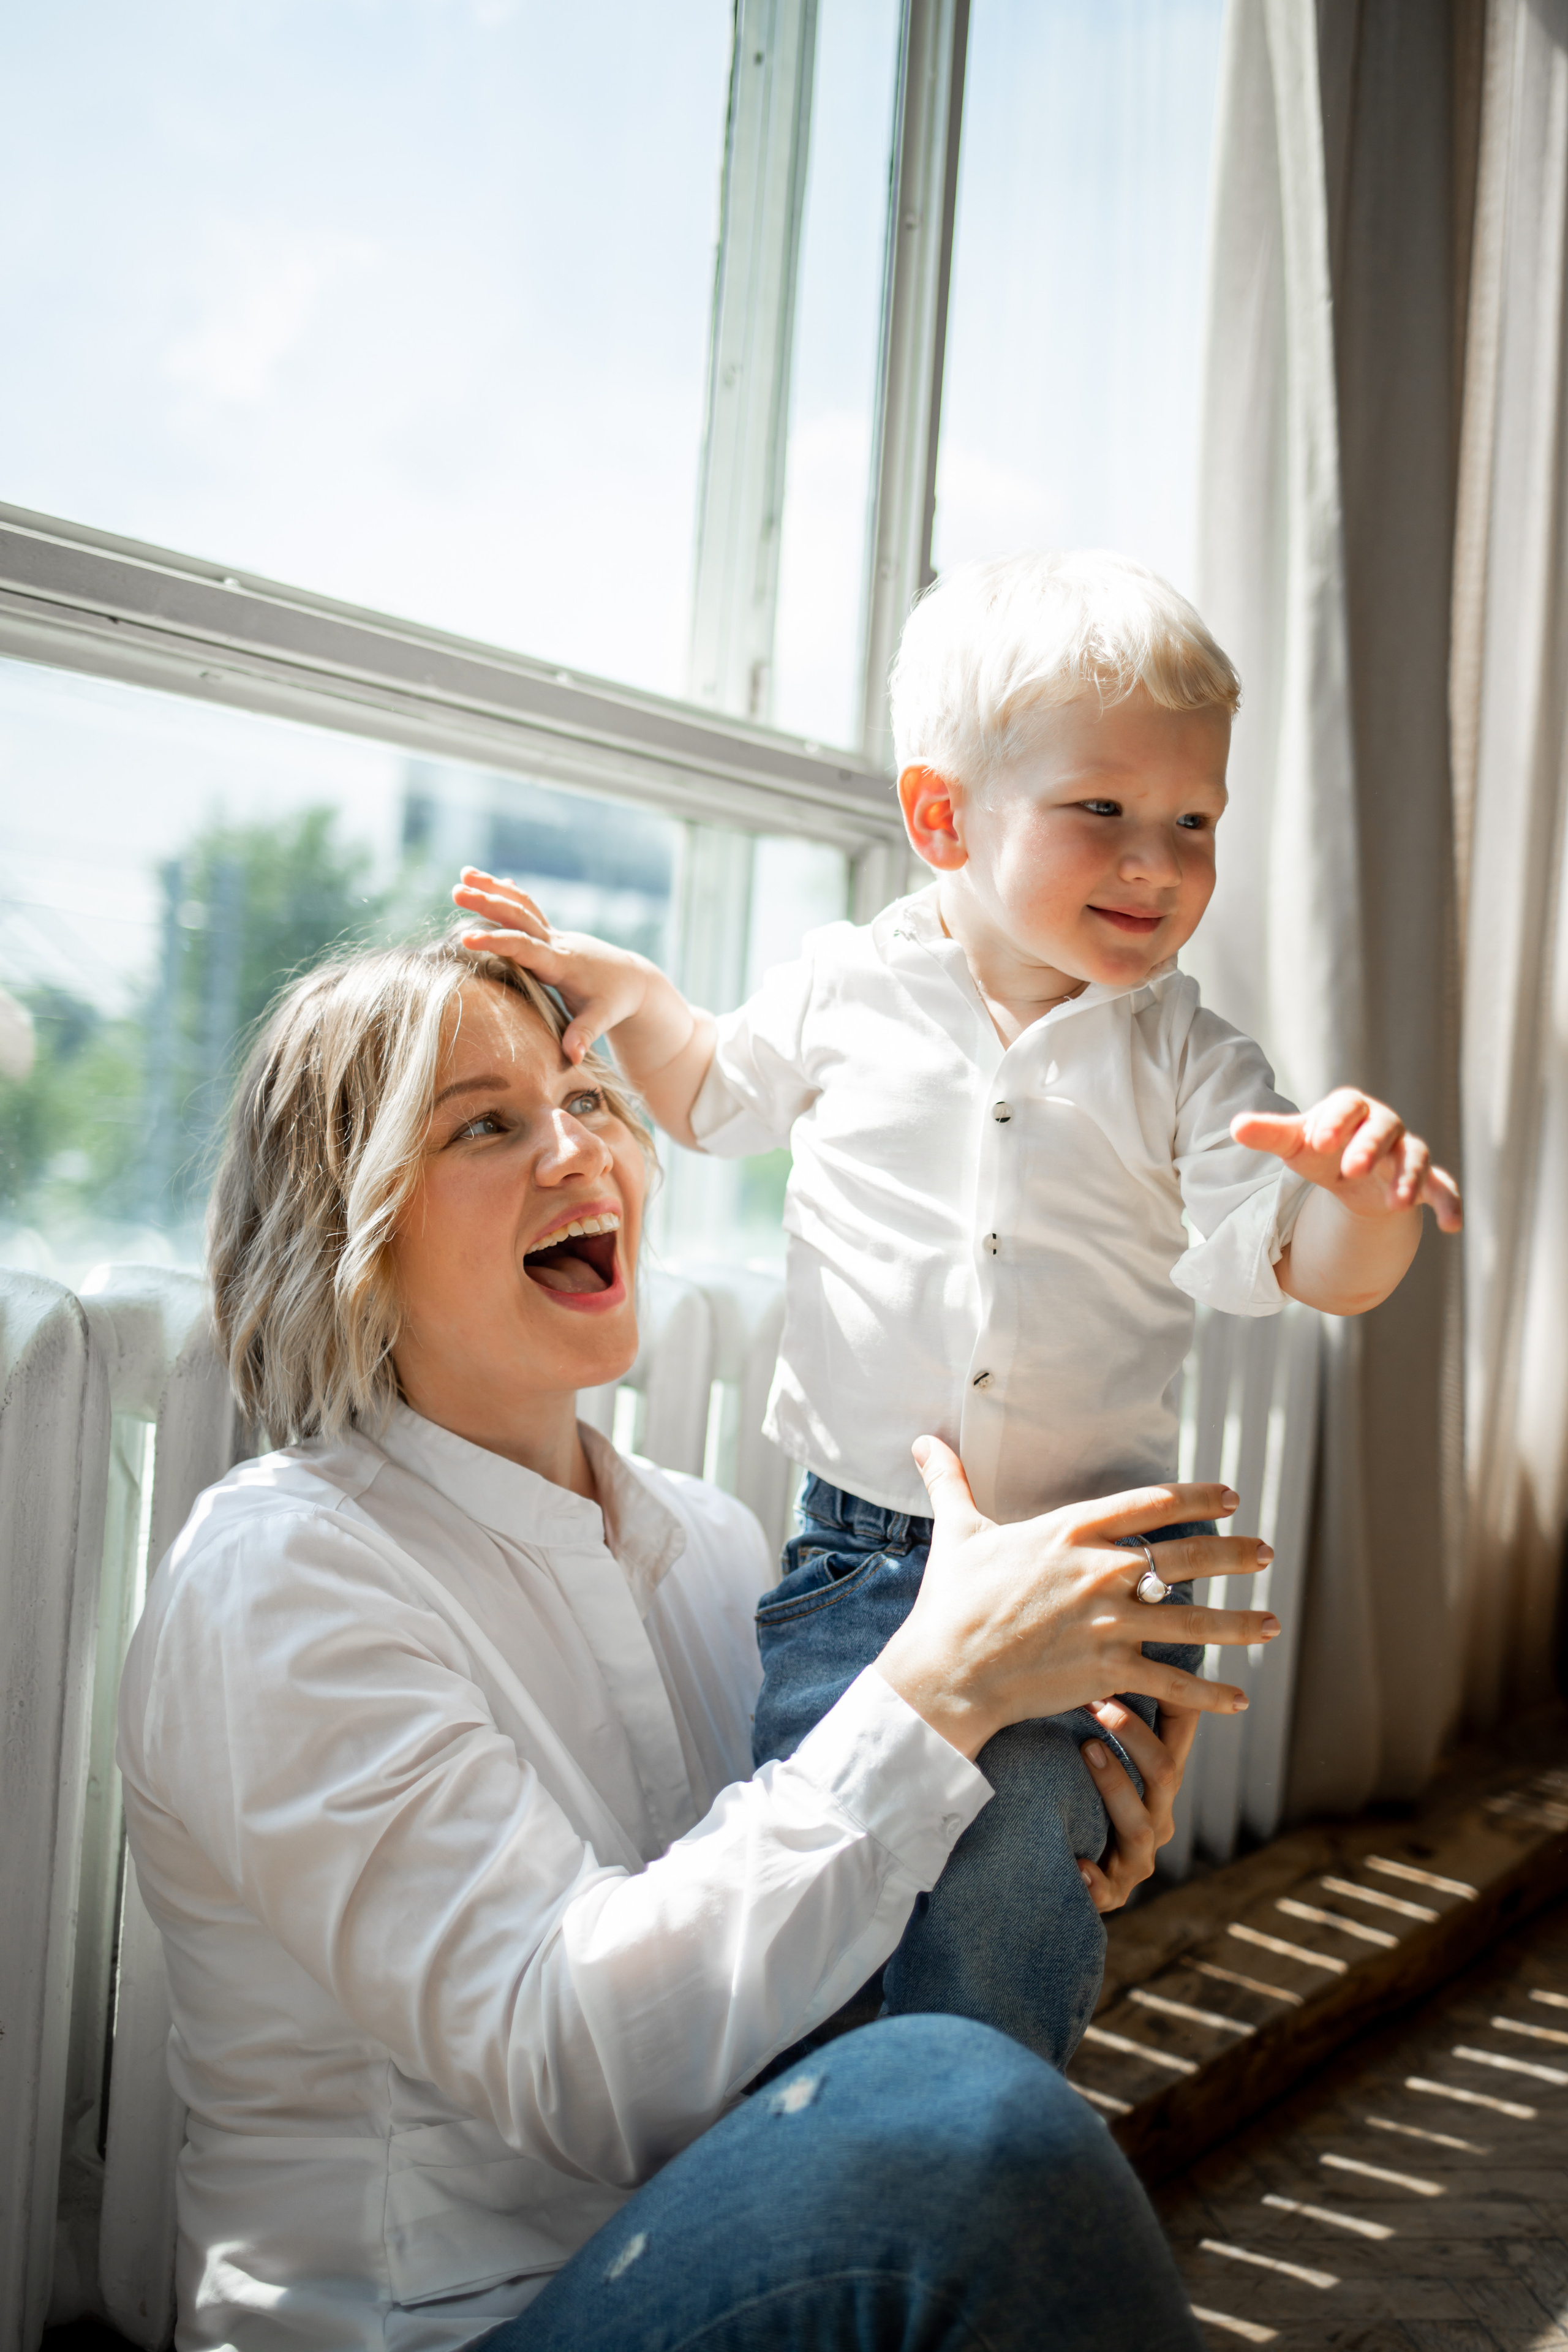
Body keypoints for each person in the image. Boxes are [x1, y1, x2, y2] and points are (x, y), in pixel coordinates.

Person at [116, 932, 1271, 2350]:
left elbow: (803, 1965)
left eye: (591, 1099)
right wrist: (936, 1697)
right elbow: (577, 2064)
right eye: (486, 1124)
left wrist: (1029, 1817)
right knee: (969, 2128)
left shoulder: (715, 1544)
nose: (576, 1151)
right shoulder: (282, 1578)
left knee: (969, 2102)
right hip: (456, 2328)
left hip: (719, 2247)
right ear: (346, 1227)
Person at [452, 549, 1464, 2069]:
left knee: (996, 1907)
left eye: (1193, 821)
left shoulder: (1189, 1058)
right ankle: (830, 2172)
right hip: (856, 1552)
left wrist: (1362, 1206)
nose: (1157, 861)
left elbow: (1300, 1263)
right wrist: (634, 997)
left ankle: (966, 2158)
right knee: (820, 1890)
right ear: (942, 819)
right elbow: (715, 1094)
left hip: (1086, 1580)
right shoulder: (849, 984)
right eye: (1101, 812)